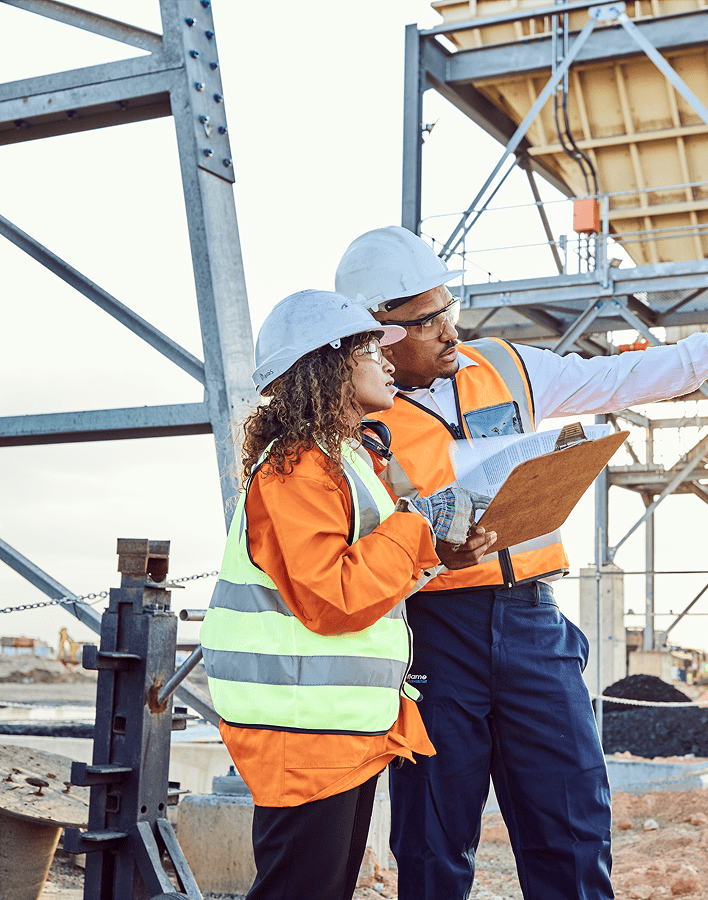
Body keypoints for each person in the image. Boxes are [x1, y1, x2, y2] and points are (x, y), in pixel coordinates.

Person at [335, 226, 708, 900]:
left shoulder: (505, 365)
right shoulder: (351, 415)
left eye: (450, 310)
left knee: (571, 821)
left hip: (533, 622)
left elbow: (619, 376)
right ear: (379, 332)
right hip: (433, 633)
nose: (451, 331)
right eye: (428, 322)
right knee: (431, 837)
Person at [198, 289, 487, 900]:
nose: (388, 360)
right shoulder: (300, 466)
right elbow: (332, 598)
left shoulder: (343, 459)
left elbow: (370, 580)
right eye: (368, 349)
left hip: (334, 727)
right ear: (327, 364)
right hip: (303, 731)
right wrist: (415, 526)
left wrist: (438, 549)